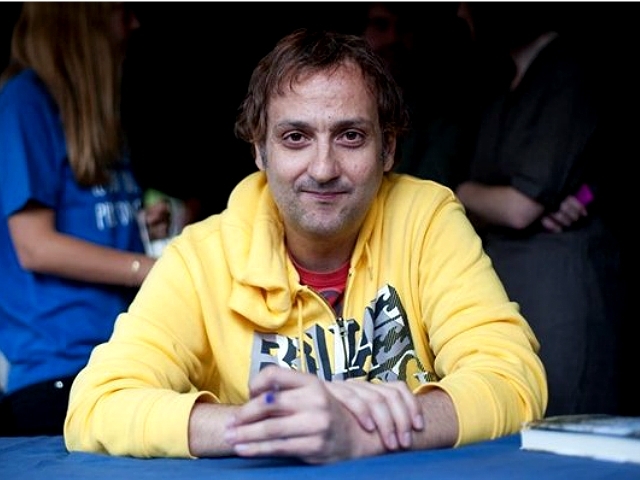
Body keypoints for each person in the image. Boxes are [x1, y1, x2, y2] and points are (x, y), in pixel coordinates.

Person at [64, 28, 547, 464]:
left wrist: (363, 433)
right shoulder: (201, 257)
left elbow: (512, 379)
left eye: (350, 136)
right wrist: (274, 428)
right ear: (260, 150)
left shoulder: (427, 220)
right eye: (295, 137)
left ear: (388, 149)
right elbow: (97, 404)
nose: (322, 168)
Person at [0, 2, 170, 436]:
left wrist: (135, 226)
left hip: (120, 357)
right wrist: (153, 269)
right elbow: (35, 246)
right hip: (61, 369)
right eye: (121, 11)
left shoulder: (93, 117)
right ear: (82, 23)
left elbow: (86, 219)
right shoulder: (25, 102)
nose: (135, 23)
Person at [454, 3, 624, 416]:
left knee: (565, 419)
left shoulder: (567, 72)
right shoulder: (504, 80)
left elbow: (519, 208)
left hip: (558, 292)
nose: (460, 12)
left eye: (469, 3)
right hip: (510, 281)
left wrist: (461, 192)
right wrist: (477, 197)